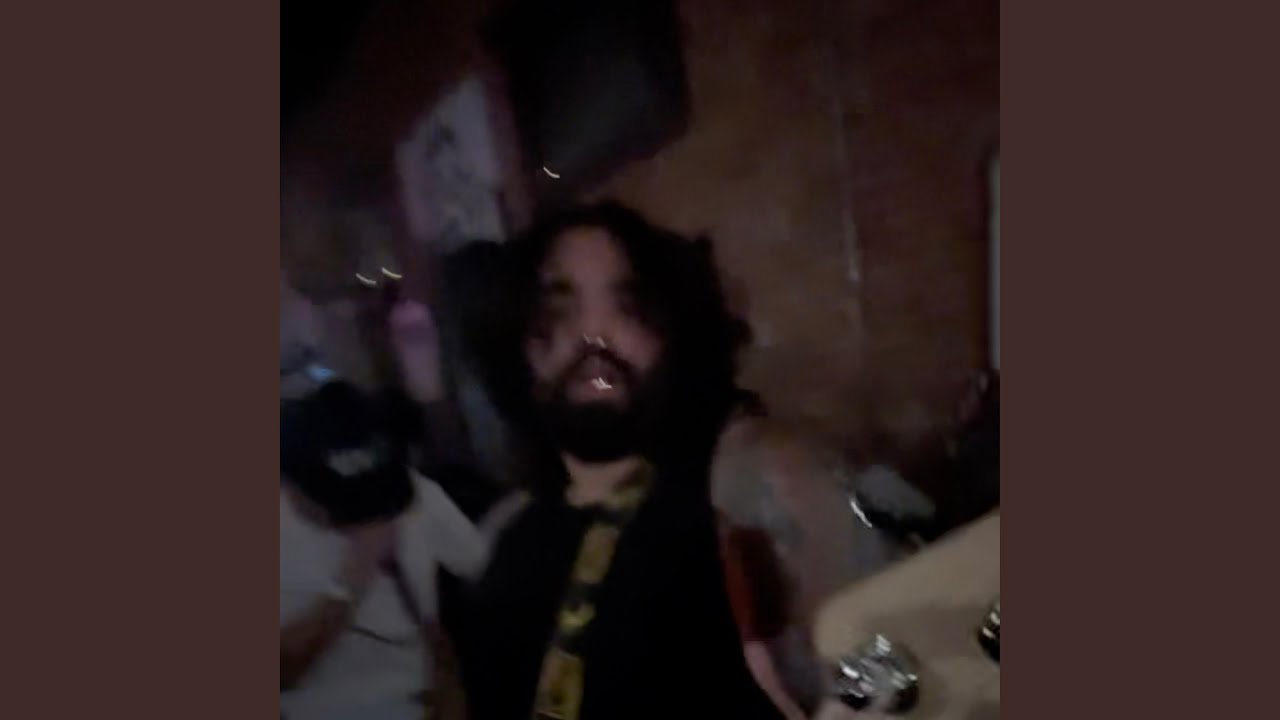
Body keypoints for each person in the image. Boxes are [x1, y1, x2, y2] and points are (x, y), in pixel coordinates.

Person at [442, 203, 784, 720]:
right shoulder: (507, 545)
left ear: (671, 338)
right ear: (521, 349)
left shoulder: (737, 498)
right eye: (558, 313)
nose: (594, 334)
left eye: (629, 308)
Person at [280, 379, 488, 720]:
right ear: (292, 486)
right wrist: (354, 573)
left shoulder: (414, 493)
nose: (369, 515)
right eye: (344, 501)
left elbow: (484, 569)